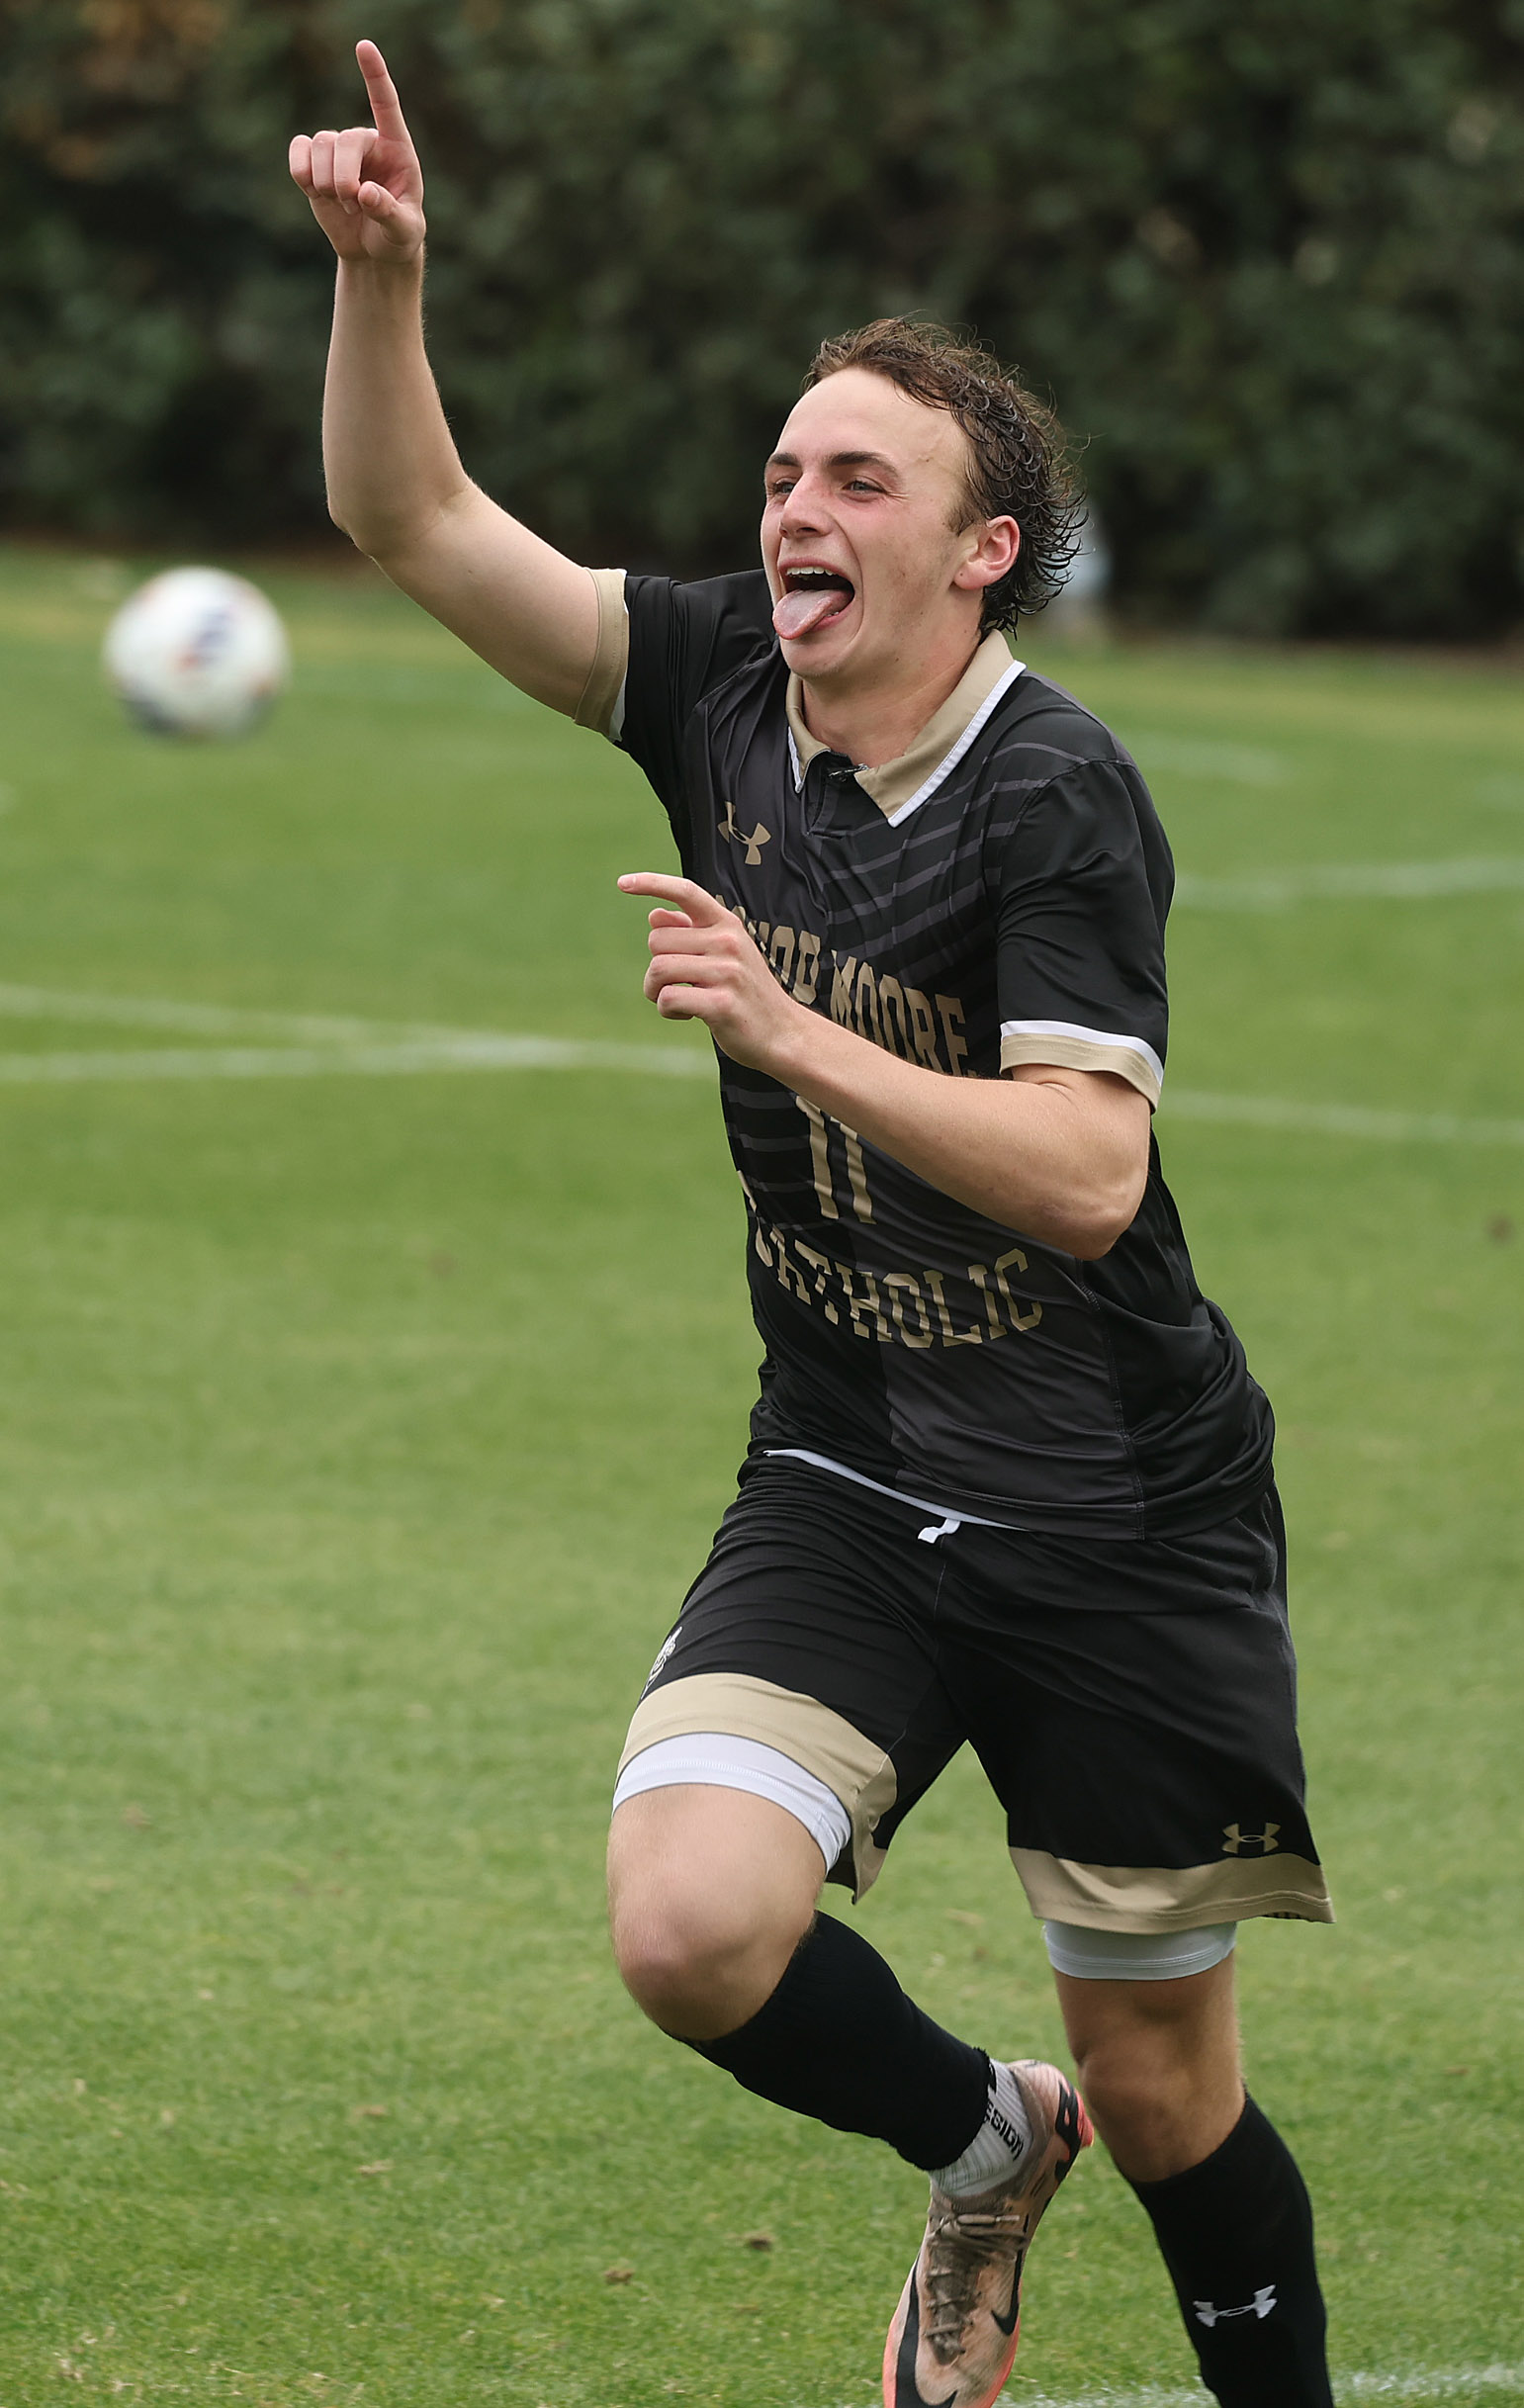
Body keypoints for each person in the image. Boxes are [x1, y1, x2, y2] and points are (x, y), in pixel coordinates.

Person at [292, 43, 1337, 2408]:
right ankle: (981, 2145)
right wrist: (387, 281)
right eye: (782, 470)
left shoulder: (1058, 788)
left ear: (981, 550)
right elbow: (417, 521)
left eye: (861, 474)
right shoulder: (720, 694)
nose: (798, 505)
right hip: (855, 1466)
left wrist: (793, 1034)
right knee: (687, 1928)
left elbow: (1092, 1175)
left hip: (1118, 1510)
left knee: (1179, 2105)